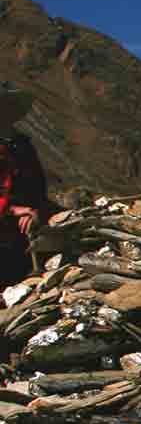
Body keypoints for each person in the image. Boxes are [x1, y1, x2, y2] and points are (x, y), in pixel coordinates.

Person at [0, 84, 55, 293]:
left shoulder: (22, 145)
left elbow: (37, 187)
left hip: (22, 228)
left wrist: (33, 210)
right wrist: (12, 210)